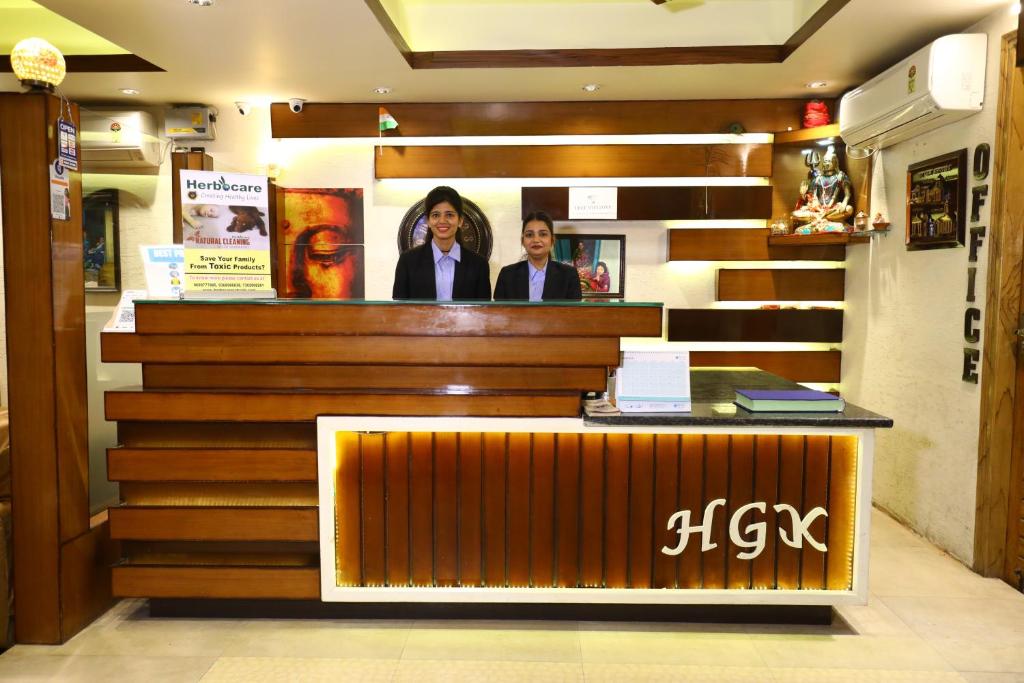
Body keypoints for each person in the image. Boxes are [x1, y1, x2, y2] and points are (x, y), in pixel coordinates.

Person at [393, 186, 491, 301]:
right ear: (428, 221)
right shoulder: (408, 262)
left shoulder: (479, 265)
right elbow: (399, 312)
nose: (442, 221)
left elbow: (484, 314)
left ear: (460, 221)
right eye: (435, 215)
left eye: (449, 215)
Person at [493, 211, 582, 301]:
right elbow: (499, 313)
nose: (536, 240)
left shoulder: (569, 275)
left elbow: (575, 313)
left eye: (543, 234)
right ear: (522, 241)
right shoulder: (507, 275)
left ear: (552, 240)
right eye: (529, 235)